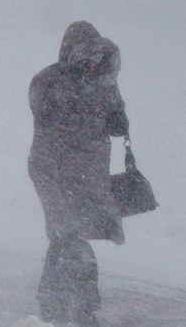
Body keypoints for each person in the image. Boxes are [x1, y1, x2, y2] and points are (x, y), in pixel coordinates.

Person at [28, 21, 129, 327]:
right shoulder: (49, 79)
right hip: (53, 169)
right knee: (68, 234)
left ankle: (54, 303)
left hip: (88, 172)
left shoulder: (102, 83)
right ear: (70, 52)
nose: (92, 63)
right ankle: (81, 308)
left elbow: (115, 119)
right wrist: (84, 101)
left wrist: (116, 116)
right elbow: (48, 118)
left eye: (97, 56)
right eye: (86, 56)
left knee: (69, 235)